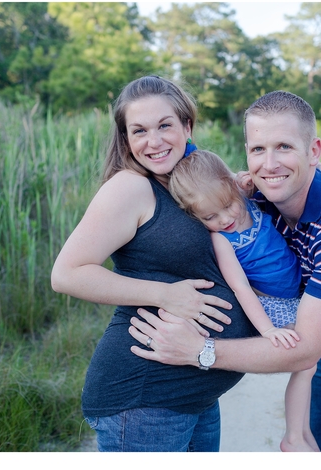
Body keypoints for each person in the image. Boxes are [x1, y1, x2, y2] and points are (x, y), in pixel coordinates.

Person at [128, 90, 321, 452]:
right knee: (313, 442)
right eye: (258, 150)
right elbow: (194, 169)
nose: (269, 164)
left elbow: (303, 350)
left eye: (285, 147)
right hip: (318, 323)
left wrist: (200, 350)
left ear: (314, 151)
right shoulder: (248, 197)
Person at [51, 75, 259, 452]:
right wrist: (165, 295)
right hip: (145, 399)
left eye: (165, 125)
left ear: (187, 126)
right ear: (126, 138)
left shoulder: (191, 179)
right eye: (139, 130)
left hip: (193, 395)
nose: (154, 141)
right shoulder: (131, 186)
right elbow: (67, 274)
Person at [169, 149, 319, 452]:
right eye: (209, 217)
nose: (225, 219)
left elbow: (273, 177)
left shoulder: (245, 197)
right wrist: (267, 331)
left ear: (235, 186)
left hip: (297, 291)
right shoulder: (222, 240)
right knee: (306, 363)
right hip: (273, 303)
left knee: (311, 364)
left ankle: (302, 432)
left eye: (227, 207)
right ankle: (294, 436)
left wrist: (249, 180)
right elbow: (241, 289)